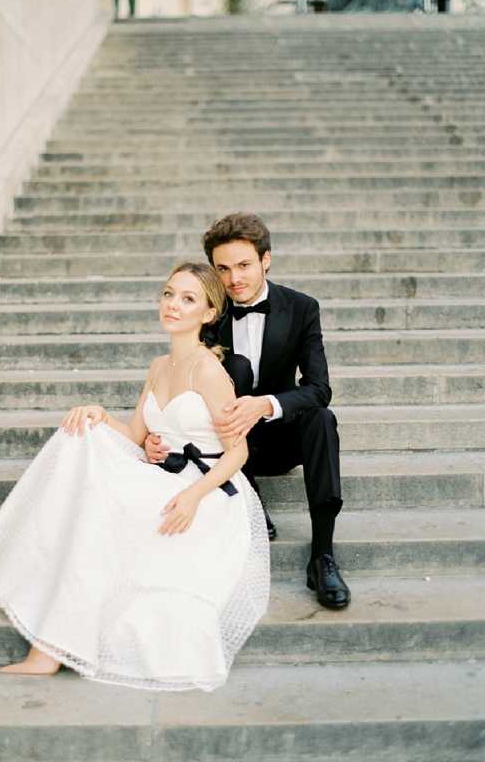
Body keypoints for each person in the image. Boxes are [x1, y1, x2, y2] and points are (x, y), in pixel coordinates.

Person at [0, 262, 269, 691]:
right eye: (168, 294)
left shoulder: (208, 371)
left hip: (206, 490)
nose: (173, 305)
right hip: (165, 473)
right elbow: (134, 435)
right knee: (79, 436)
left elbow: (238, 452)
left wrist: (193, 497)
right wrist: (99, 414)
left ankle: (49, 649)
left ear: (208, 313)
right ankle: (50, 643)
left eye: (187, 299)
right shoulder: (159, 366)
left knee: (103, 510)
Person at [146, 214, 351, 610]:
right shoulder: (208, 310)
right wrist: (158, 434)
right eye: (222, 269)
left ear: (265, 260)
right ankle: (249, 499)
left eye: (244, 265)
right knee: (234, 366)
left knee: (322, 419)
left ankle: (322, 555)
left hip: (278, 434)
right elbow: (177, 380)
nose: (234, 278)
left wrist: (266, 405)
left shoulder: (301, 308)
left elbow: (319, 388)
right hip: (224, 443)